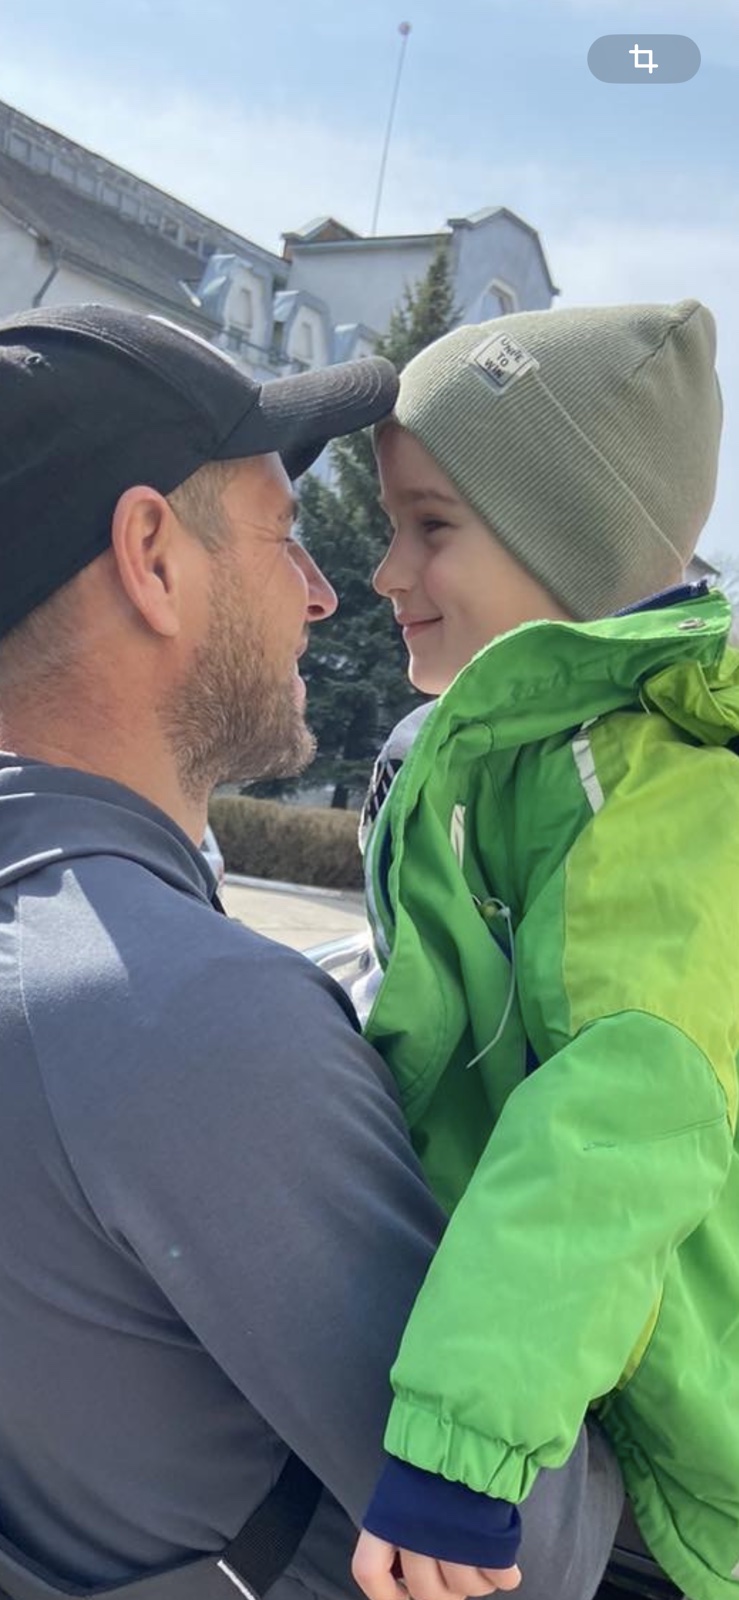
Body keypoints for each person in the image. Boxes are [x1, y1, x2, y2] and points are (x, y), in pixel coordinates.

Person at [0, 303, 452, 1600]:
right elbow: (535, 1543)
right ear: (152, 556)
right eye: (282, 532)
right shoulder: (184, 1016)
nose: (322, 591)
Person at [350, 301, 739, 1600]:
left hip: (669, 1462)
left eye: (432, 526)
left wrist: (462, 1451)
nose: (386, 572)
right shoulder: (506, 763)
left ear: (571, 537)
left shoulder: (648, 792)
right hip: (572, 1374)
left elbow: (615, 1123)